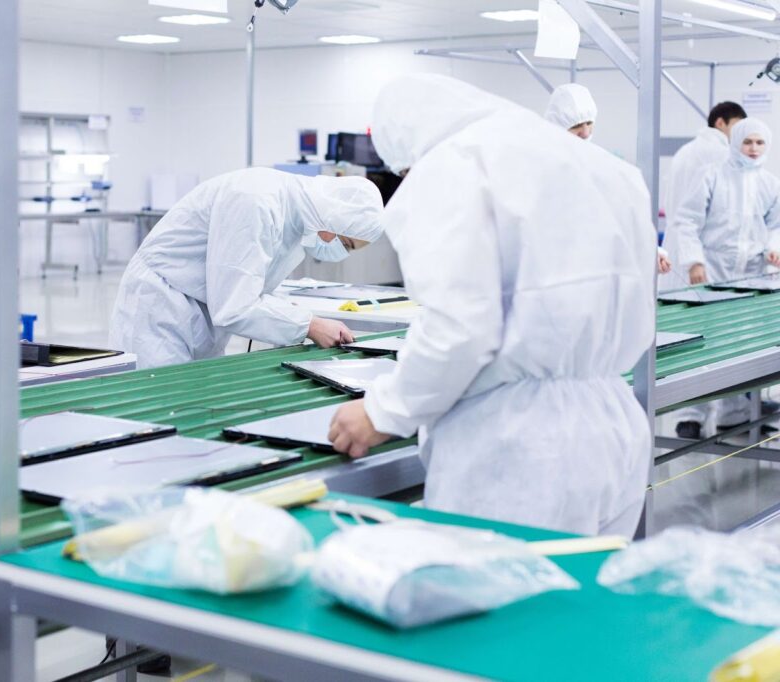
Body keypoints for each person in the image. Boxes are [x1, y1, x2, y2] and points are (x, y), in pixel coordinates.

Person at [328, 74, 657, 536]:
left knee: (503, 600)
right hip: (614, 422)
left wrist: (383, 411)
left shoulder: (455, 163)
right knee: (583, 599)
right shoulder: (601, 167)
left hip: (519, 447)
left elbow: (459, 326)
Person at [110, 168, 384, 369]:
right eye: (346, 243)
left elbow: (249, 287)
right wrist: (310, 325)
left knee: (195, 402)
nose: (340, 251)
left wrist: (302, 319)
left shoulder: (299, 220)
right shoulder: (256, 201)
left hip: (200, 310)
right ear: (332, 217)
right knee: (158, 406)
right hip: (161, 307)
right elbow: (235, 306)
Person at [670, 117, 780, 436]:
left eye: (760, 142)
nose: (754, 148)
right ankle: (690, 414)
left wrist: (773, 248)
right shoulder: (713, 175)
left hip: (752, 273)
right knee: (705, 341)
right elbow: (687, 221)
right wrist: (694, 262)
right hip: (713, 269)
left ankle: (733, 412)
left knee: (742, 343)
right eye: (748, 142)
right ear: (735, 142)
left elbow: (776, 225)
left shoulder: (769, 183)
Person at [546, 83, 672, 275]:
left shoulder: (601, 161)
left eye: (589, 123)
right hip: (552, 270)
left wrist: (648, 252)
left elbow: (620, 215)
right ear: (557, 124)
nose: (586, 132)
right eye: (576, 125)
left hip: (594, 271)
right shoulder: (541, 164)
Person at [661, 101, 747, 291]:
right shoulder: (722, 153)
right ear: (720, 123)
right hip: (702, 251)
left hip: (676, 245)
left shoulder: (685, 151)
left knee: (675, 312)